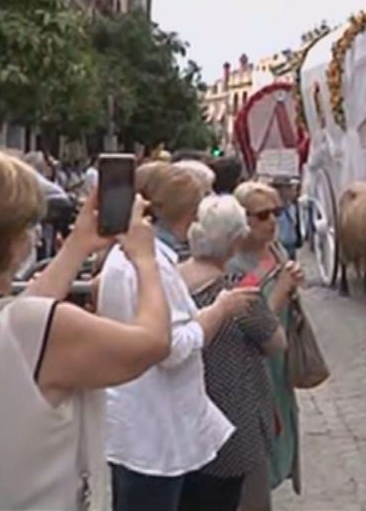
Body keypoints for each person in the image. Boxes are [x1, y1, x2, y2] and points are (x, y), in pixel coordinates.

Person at [0, 145, 171, 511]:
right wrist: (145, 260)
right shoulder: (33, 327)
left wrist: (78, 245)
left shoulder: (16, 326)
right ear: (13, 238)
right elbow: (152, 343)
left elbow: (21, 323)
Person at [99, 162, 259, 511]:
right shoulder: (152, 266)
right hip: (153, 430)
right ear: (188, 215)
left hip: (138, 421)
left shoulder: (127, 258)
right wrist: (218, 310)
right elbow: (171, 347)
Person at [179, 195, 295, 511]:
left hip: (181, 423)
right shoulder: (235, 293)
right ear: (233, 244)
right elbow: (276, 342)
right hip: (234, 423)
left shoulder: (172, 280)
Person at [229, 181, 306, 498]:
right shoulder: (233, 265)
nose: (272, 221)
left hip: (278, 356)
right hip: (254, 361)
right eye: (262, 215)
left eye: (277, 212)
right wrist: (282, 290)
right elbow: (248, 322)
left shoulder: (276, 250)